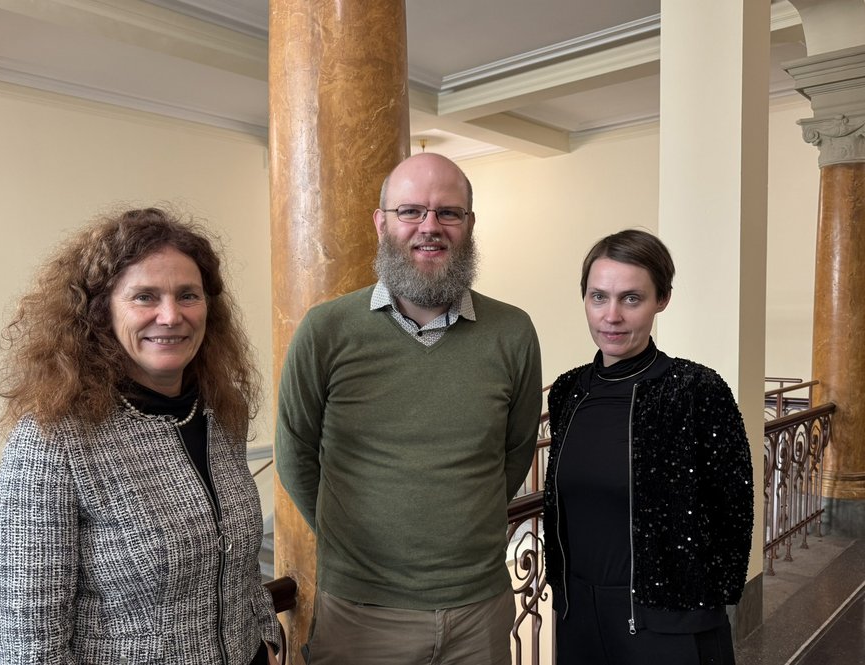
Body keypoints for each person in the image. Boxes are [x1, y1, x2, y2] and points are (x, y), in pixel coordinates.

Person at [275, 153, 543, 665]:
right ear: (381, 223)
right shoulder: (326, 330)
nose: (430, 227)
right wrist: (354, 545)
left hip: (479, 611)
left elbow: (513, 455)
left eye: (448, 213)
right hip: (361, 613)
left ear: (469, 225)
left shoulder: (513, 332)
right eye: (411, 211)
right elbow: (294, 458)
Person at [0, 207, 281, 665]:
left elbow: (237, 563)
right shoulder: (53, 441)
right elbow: (29, 645)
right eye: (145, 297)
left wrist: (265, 632)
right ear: (100, 312)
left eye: (188, 295)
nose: (170, 316)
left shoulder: (223, 413)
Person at [543, 229, 754, 665]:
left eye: (631, 299)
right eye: (598, 297)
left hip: (669, 623)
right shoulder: (568, 391)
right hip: (578, 615)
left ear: (662, 299)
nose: (612, 315)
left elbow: (734, 507)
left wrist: (699, 601)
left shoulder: (695, 389)